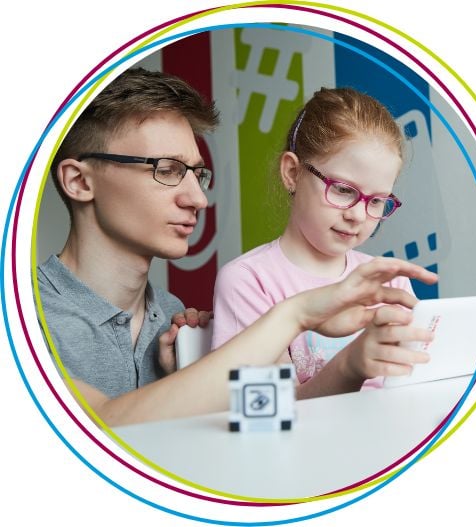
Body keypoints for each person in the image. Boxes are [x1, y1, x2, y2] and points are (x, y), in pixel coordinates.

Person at [37, 69, 437, 426]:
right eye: (167, 170)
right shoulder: (23, 319)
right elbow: (101, 426)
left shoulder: (176, 322)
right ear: (79, 181)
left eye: (198, 173)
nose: (198, 198)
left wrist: (191, 367)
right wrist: (298, 317)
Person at [212, 87, 426, 397]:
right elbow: (269, 410)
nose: (357, 215)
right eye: (342, 190)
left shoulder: (391, 282)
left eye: (377, 200)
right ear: (292, 173)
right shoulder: (250, 280)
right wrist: (349, 367)